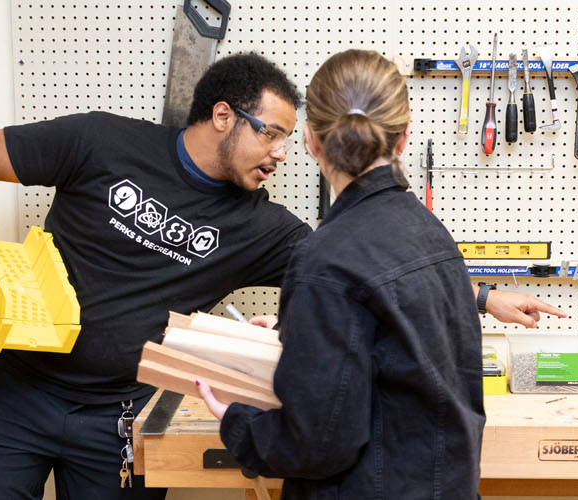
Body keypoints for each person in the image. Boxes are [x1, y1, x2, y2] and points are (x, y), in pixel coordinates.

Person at [0, 53, 566, 499]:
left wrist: (483, 296)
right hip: (8, 397)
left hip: (120, 416)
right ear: (224, 116)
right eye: (271, 134)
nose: (282, 153)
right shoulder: (102, 141)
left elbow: (373, 268)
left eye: (291, 138)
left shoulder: (266, 229)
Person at [196, 49, 484, 498]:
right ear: (404, 137)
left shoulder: (325, 259)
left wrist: (239, 422)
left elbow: (316, 445)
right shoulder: (433, 235)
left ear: (311, 140)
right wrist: (302, 331)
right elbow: (399, 351)